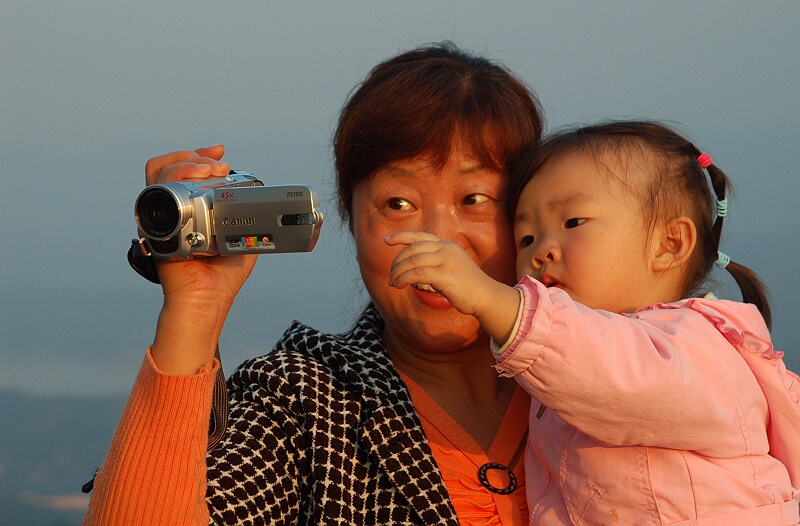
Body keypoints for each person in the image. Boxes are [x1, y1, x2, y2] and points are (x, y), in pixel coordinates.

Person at [84, 42, 544, 525]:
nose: (436, 242)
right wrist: (195, 307)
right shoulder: (307, 405)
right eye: (398, 204)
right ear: (349, 217)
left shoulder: (600, 369)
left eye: (474, 198)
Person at [387, 121, 800, 525]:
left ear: (669, 244)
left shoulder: (697, 344)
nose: (542, 251)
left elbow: (616, 374)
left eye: (572, 223)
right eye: (525, 238)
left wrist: (489, 298)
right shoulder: (575, 362)